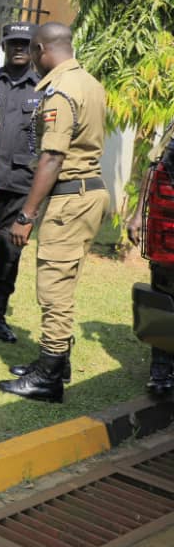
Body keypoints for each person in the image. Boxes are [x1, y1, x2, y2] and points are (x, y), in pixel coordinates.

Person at [0, 22, 108, 403]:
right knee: (65, 280)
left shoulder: (60, 91)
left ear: (41, 49)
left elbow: (53, 157)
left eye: (32, 51)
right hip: (88, 192)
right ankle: (57, 362)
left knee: (54, 288)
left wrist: (26, 215)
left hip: (70, 197)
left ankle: (48, 377)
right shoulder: (89, 83)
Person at [0, 22, 41, 344]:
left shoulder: (44, 88)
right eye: (13, 43)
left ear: (35, 48)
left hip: (20, 188)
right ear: (3, 46)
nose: (19, 48)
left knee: (8, 255)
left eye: (25, 44)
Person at [126, 124, 174, 396]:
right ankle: (160, 371)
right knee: (163, 302)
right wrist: (137, 217)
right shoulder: (171, 131)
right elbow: (153, 168)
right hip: (166, 236)